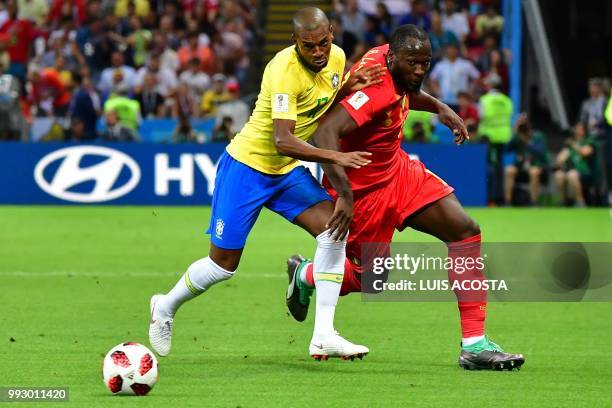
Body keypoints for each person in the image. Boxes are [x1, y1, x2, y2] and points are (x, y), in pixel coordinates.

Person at [148, 7, 384, 361]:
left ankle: (323, 335)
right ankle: (164, 306)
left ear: (332, 33)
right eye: (309, 46)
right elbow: (283, 140)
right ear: (295, 43)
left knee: (334, 231)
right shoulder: (281, 71)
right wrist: (336, 157)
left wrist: (349, 84)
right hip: (248, 167)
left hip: (285, 172)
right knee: (222, 265)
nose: (318, 52)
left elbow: (319, 101)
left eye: (323, 42)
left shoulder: (336, 59)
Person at [284, 25, 525, 370]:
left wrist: (440, 107)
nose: (419, 70)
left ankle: (474, 344)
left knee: (465, 230)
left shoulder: (393, 56)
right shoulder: (375, 86)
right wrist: (347, 196)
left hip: (398, 171)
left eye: (425, 63)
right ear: (393, 58)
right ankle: (307, 275)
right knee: (371, 278)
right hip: (364, 190)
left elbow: (407, 89)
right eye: (413, 63)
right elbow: (326, 132)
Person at [504, 114, 548, 206]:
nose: (523, 128)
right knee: (509, 170)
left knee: (534, 172)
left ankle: (533, 202)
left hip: (534, 166)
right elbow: (507, 149)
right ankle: (508, 202)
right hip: (520, 167)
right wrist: (514, 133)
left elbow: (540, 152)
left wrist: (527, 142)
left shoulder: (537, 136)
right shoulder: (517, 137)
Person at [554, 122, 598, 207]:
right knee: (559, 175)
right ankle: (563, 201)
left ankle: (580, 202)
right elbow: (559, 160)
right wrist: (561, 158)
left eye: (580, 129)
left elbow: (584, 152)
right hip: (571, 171)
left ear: (585, 130)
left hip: (586, 173)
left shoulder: (589, 141)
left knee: (572, 174)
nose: (577, 131)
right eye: (576, 129)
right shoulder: (571, 144)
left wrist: (572, 144)